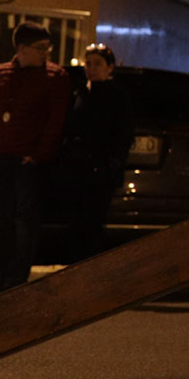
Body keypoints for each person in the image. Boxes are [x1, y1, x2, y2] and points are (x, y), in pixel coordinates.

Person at [0, 23, 72, 295]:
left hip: (27, 161)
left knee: (25, 219)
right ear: (22, 48)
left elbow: (55, 120)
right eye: (40, 48)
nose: (45, 54)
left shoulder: (54, 76)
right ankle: (6, 271)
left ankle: (15, 277)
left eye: (46, 48)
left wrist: (39, 155)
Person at [57, 43, 134, 264]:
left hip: (100, 173)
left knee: (93, 224)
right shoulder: (80, 94)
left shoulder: (117, 97)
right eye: (88, 64)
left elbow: (123, 133)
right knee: (75, 224)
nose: (91, 68)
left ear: (110, 67)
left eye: (97, 64)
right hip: (76, 171)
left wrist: (112, 163)